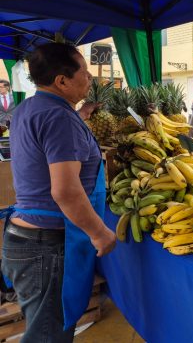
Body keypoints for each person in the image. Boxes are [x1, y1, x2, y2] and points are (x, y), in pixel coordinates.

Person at [1, 43, 116, 342]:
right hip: (47, 246)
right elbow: (65, 191)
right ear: (62, 81)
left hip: (25, 238)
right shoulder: (60, 118)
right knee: (49, 335)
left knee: (46, 328)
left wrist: (80, 116)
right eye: (84, 72)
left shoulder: (29, 107)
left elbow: (49, 141)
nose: (90, 77)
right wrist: (100, 233)